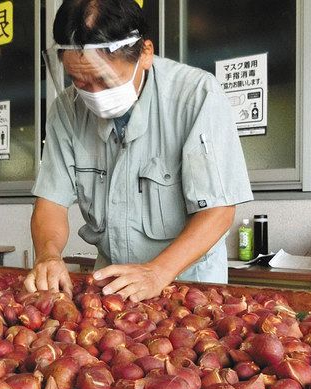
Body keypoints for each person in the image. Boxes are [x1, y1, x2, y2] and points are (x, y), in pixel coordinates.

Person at [25, 0, 253, 302]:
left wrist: (157, 272)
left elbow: (218, 211)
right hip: (112, 288)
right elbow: (51, 202)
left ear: (144, 53)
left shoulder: (196, 97)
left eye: (104, 80)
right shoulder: (67, 110)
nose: (92, 94)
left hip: (188, 286)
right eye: (79, 81)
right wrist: (48, 255)